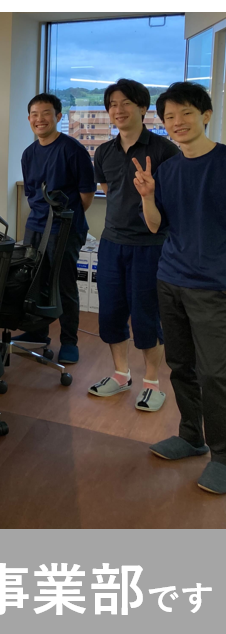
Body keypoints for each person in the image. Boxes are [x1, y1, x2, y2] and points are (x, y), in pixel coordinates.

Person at [135, 81, 226, 495]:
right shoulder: (168, 169)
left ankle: (222, 456)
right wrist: (147, 196)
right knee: (181, 364)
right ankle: (192, 436)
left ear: (205, 115)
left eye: (186, 113)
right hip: (171, 278)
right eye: (169, 116)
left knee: (216, 373)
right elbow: (157, 225)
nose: (177, 122)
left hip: (214, 286)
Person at [89, 79, 180, 411]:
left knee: (146, 315)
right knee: (111, 313)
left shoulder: (164, 150)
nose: (118, 109)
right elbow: (109, 191)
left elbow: (172, 202)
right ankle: (121, 374)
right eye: (113, 104)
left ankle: (152, 382)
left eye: (126, 103)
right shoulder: (104, 152)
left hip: (150, 246)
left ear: (143, 108)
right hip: (112, 244)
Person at [18, 93, 96, 364]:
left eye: (46, 113)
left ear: (58, 117)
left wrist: (66, 219)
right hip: (35, 226)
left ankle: (69, 341)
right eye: (34, 114)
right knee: (33, 281)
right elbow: (31, 194)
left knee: (63, 285)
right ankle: (37, 332)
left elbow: (86, 194)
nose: (40, 119)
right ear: (29, 119)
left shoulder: (72, 150)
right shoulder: (29, 154)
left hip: (65, 228)